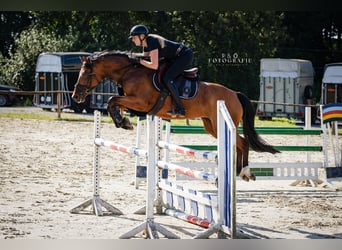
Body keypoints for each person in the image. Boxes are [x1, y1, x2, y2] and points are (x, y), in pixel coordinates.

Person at [128, 24, 193, 117]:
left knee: (167, 78)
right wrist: (132, 56)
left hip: (184, 56)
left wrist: (139, 60)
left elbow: (154, 65)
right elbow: (145, 57)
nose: (132, 40)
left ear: (141, 36)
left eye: (134, 38)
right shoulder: (146, 44)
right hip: (174, 57)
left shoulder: (152, 42)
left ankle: (180, 109)